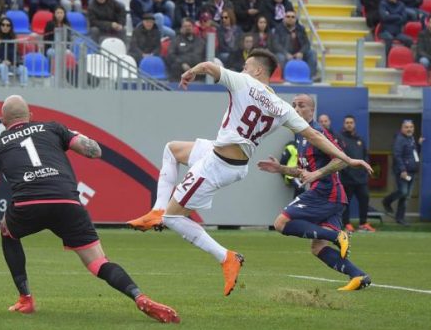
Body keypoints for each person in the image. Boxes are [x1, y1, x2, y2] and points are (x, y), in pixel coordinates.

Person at [127, 51, 373, 295]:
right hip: (227, 158)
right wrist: (347, 158)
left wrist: (192, 71)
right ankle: (156, 210)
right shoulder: (281, 106)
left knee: (173, 218)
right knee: (172, 150)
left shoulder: (243, 81)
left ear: (257, 70)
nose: (242, 69)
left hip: (218, 164)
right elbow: (315, 135)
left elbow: (210, 66)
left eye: (246, 66)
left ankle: (226, 258)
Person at [0, 95, 180, 323]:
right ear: (31, 116)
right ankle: (139, 296)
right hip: (67, 202)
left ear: (2, 121)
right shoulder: (53, 128)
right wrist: (70, 135)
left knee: (7, 230)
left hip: (29, 204)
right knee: (98, 262)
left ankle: (25, 299)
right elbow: (94, 151)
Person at [258, 94, 372, 291]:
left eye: (301, 105)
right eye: (293, 105)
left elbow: (341, 160)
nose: (296, 109)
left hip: (326, 192)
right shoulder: (300, 135)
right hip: (331, 196)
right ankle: (359, 276)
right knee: (317, 247)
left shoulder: (318, 132)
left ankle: (336, 236)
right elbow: (304, 172)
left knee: (280, 223)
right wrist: (281, 169)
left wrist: (317, 174)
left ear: (312, 110)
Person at [338, 115, 374, 233]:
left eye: (351, 122)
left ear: (354, 124)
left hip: (361, 178)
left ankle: (363, 223)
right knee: (346, 202)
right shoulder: (340, 138)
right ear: (344, 124)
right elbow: (339, 157)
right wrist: (346, 171)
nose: (349, 124)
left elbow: (365, 156)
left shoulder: (360, 139)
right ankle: (346, 223)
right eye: (347, 122)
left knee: (365, 198)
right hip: (347, 178)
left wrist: (364, 171)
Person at [383, 119, 422, 226]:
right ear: (402, 128)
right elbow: (397, 155)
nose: (409, 129)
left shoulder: (411, 139)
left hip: (412, 171)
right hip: (403, 171)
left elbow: (413, 153)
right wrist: (402, 170)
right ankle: (386, 201)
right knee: (403, 192)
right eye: (406, 127)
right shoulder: (400, 139)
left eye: (411, 127)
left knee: (406, 196)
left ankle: (400, 218)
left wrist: (419, 145)